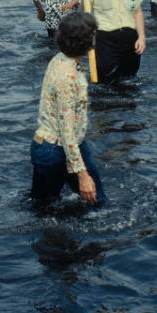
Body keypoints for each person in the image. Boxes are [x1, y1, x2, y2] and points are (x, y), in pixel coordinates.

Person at [30, 12, 105, 205]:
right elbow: (66, 129)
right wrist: (81, 174)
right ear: (85, 40)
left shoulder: (62, 58)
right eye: (94, 34)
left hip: (69, 145)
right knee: (45, 210)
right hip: (53, 149)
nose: (97, 36)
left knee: (97, 202)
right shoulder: (67, 77)